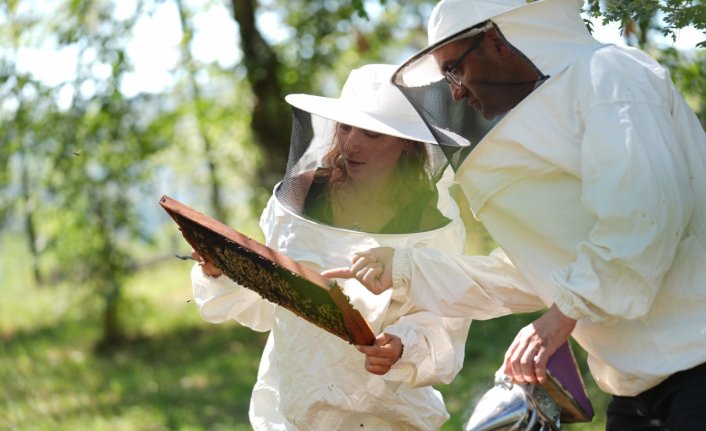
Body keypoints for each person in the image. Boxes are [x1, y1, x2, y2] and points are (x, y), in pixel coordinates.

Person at [322, 0, 706, 429]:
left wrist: (558, 320)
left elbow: (645, 216)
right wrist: (408, 268)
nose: (455, 91)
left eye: (456, 69)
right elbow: (540, 271)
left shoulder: (611, 76)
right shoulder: (565, 105)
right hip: (636, 388)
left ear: (496, 40)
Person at [190, 63, 473, 430]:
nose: (351, 144)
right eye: (345, 127)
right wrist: (220, 271)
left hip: (383, 411)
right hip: (292, 401)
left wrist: (404, 347)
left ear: (406, 143)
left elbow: (447, 314)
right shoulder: (303, 193)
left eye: (371, 134)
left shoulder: (430, 222)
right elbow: (265, 299)